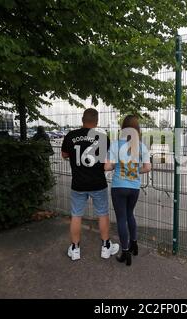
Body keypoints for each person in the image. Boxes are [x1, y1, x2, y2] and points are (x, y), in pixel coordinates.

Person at [61, 108, 119, 261]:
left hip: (78, 183)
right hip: (98, 182)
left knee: (76, 215)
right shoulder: (102, 137)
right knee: (102, 214)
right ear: (97, 121)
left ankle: (75, 249)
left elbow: (64, 155)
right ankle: (106, 246)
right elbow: (103, 159)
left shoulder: (70, 136)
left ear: (82, 119)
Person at [104, 115, 151, 266]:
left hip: (119, 186)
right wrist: (135, 171)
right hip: (134, 188)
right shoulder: (142, 147)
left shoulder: (116, 145)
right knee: (130, 214)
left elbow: (107, 167)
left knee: (121, 219)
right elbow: (147, 168)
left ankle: (125, 252)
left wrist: (116, 166)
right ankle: (134, 244)